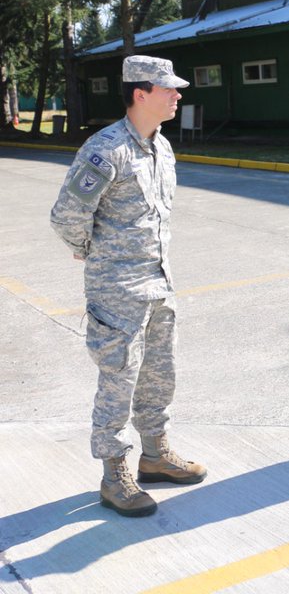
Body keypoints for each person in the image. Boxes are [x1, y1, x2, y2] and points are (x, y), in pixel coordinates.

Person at [49, 55, 207, 518]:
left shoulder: (161, 147)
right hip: (116, 288)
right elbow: (66, 216)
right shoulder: (106, 150)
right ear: (141, 94)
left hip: (158, 282)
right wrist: (89, 249)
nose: (178, 95)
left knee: (160, 373)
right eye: (168, 89)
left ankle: (155, 455)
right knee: (118, 380)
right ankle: (114, 475)